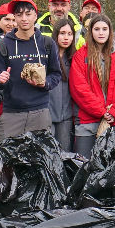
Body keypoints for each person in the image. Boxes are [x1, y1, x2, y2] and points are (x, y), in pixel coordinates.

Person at [0, 0, 61, 142]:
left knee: (38, 160)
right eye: (19, 14)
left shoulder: (47, 43)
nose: (24, 18)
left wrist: (45, 83)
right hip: (12, 113)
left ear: (35, 16)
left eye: (28, 14)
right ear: (14, 17)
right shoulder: (4, 44)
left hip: (39, 111)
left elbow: (56, 74)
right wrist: (0, 78)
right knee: (9, 160)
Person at [70, 14, 115, 156]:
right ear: (91, 31)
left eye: (104, 29)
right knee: (84, 165)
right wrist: (101, 111)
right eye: (97, 29)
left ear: (110, 31)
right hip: (87, 122)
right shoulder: (81, 56)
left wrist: (114, 112)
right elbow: (79, 88)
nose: (101, 32)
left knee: (114, 169)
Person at [49, 17, 77, 151]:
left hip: (66, 116)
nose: (66, 37)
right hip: (47, 116)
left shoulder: (74, 59)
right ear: (56, 35)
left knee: (65, 154)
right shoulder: (47, 56)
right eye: (62, 33)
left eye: (69, 34)